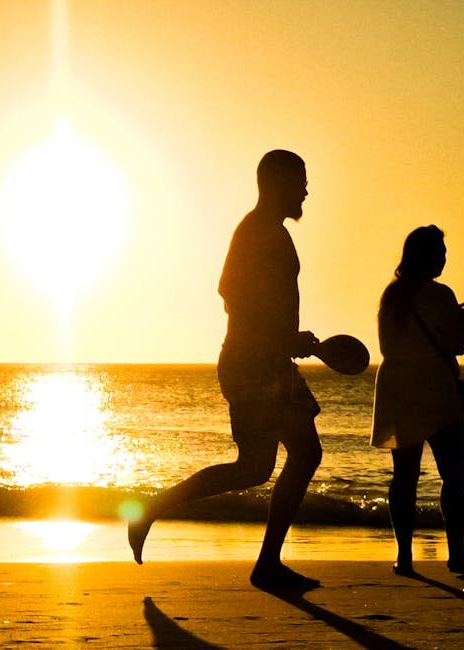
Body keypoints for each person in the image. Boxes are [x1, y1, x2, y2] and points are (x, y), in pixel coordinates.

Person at [128, 150, 323, 590]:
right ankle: (265, 564)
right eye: (301, 181)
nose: (307, 190)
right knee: (283, 459)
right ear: (277, 183)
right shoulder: (256, 231)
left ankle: (156, 509)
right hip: (253, 363)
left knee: (259, 466)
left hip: (268, 360)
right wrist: (281, 337)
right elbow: (232, 293)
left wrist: (289, 338)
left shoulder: (269, 232)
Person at [371, 226, 464, 576]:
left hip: (398, 390)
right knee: (453, 476)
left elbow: (389, 347)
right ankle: (457, 555)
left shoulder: (391, 297)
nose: (445, 258)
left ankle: (404, 556)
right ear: (429, 256)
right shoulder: (440, 295)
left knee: (404, 478)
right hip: (434, 390)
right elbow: (458, 344)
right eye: (441, 252)